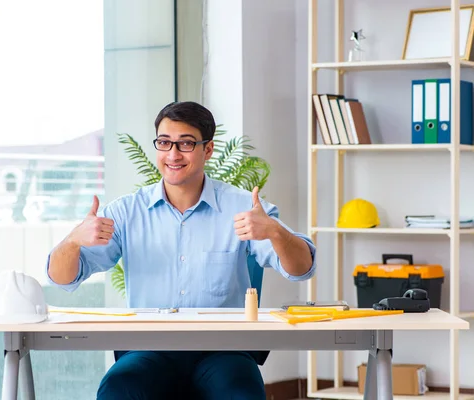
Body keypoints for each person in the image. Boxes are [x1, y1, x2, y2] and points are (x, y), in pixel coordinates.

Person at [46, 101, 316, 400]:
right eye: (164, 143)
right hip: (149, 350)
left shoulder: (244, 208)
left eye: (185, 144)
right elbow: (62, 279)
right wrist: (72, 241)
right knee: (119, 388)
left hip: (224, 350)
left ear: (208, 149)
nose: (173, 154)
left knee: (241, 392)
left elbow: (302, 269)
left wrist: (276, 232)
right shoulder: (126, 212)